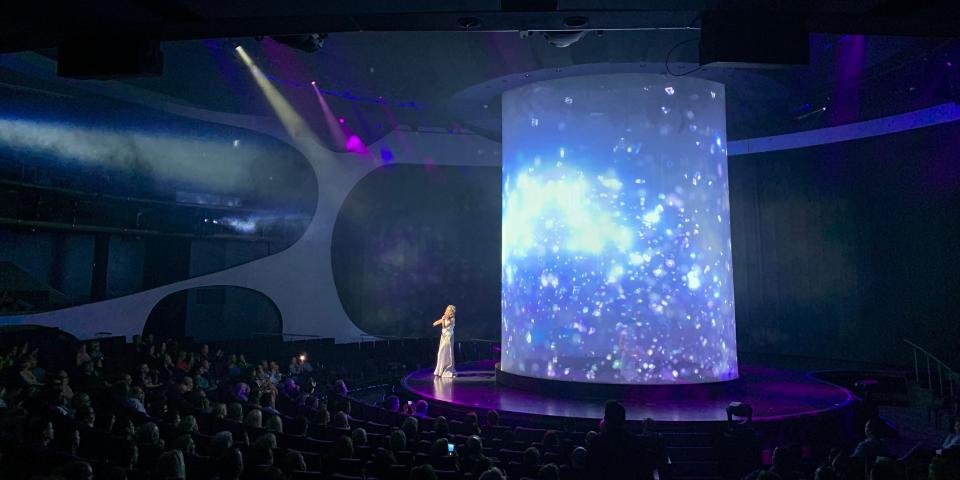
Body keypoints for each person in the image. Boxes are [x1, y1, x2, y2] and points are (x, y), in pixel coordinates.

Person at [585, 400, 648, 480]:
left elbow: (589, 472)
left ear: (606, 420)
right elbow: (645, 473)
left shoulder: (596, 442)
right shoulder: (637, 442)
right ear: (624, 420)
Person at [432, 304, 457, 377]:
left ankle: (448, 370)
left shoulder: (452, 319)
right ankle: (440, 370)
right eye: (446, 309)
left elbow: (444, 326)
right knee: (441, 353)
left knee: (447, 354)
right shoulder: (444, 317)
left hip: (448, 338)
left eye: (448, 310)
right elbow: (440, 321)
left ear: (451, 311)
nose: (446, 311)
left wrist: (443, 320)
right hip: (443, 337)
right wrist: (436, 323)